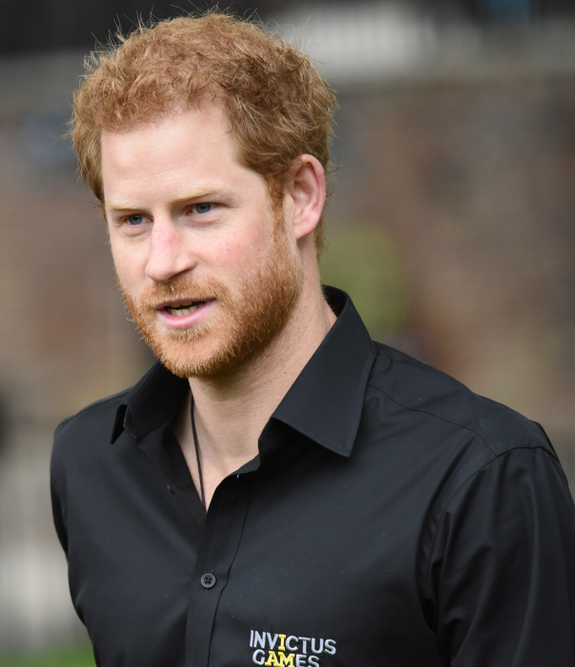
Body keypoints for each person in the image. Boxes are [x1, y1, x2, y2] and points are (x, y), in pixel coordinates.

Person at [49, 11, 575, 667]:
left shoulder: (482, 480)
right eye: (132, 219)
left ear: (300, 196)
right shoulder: (90, 463)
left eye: (200, 209)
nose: (162, 261)